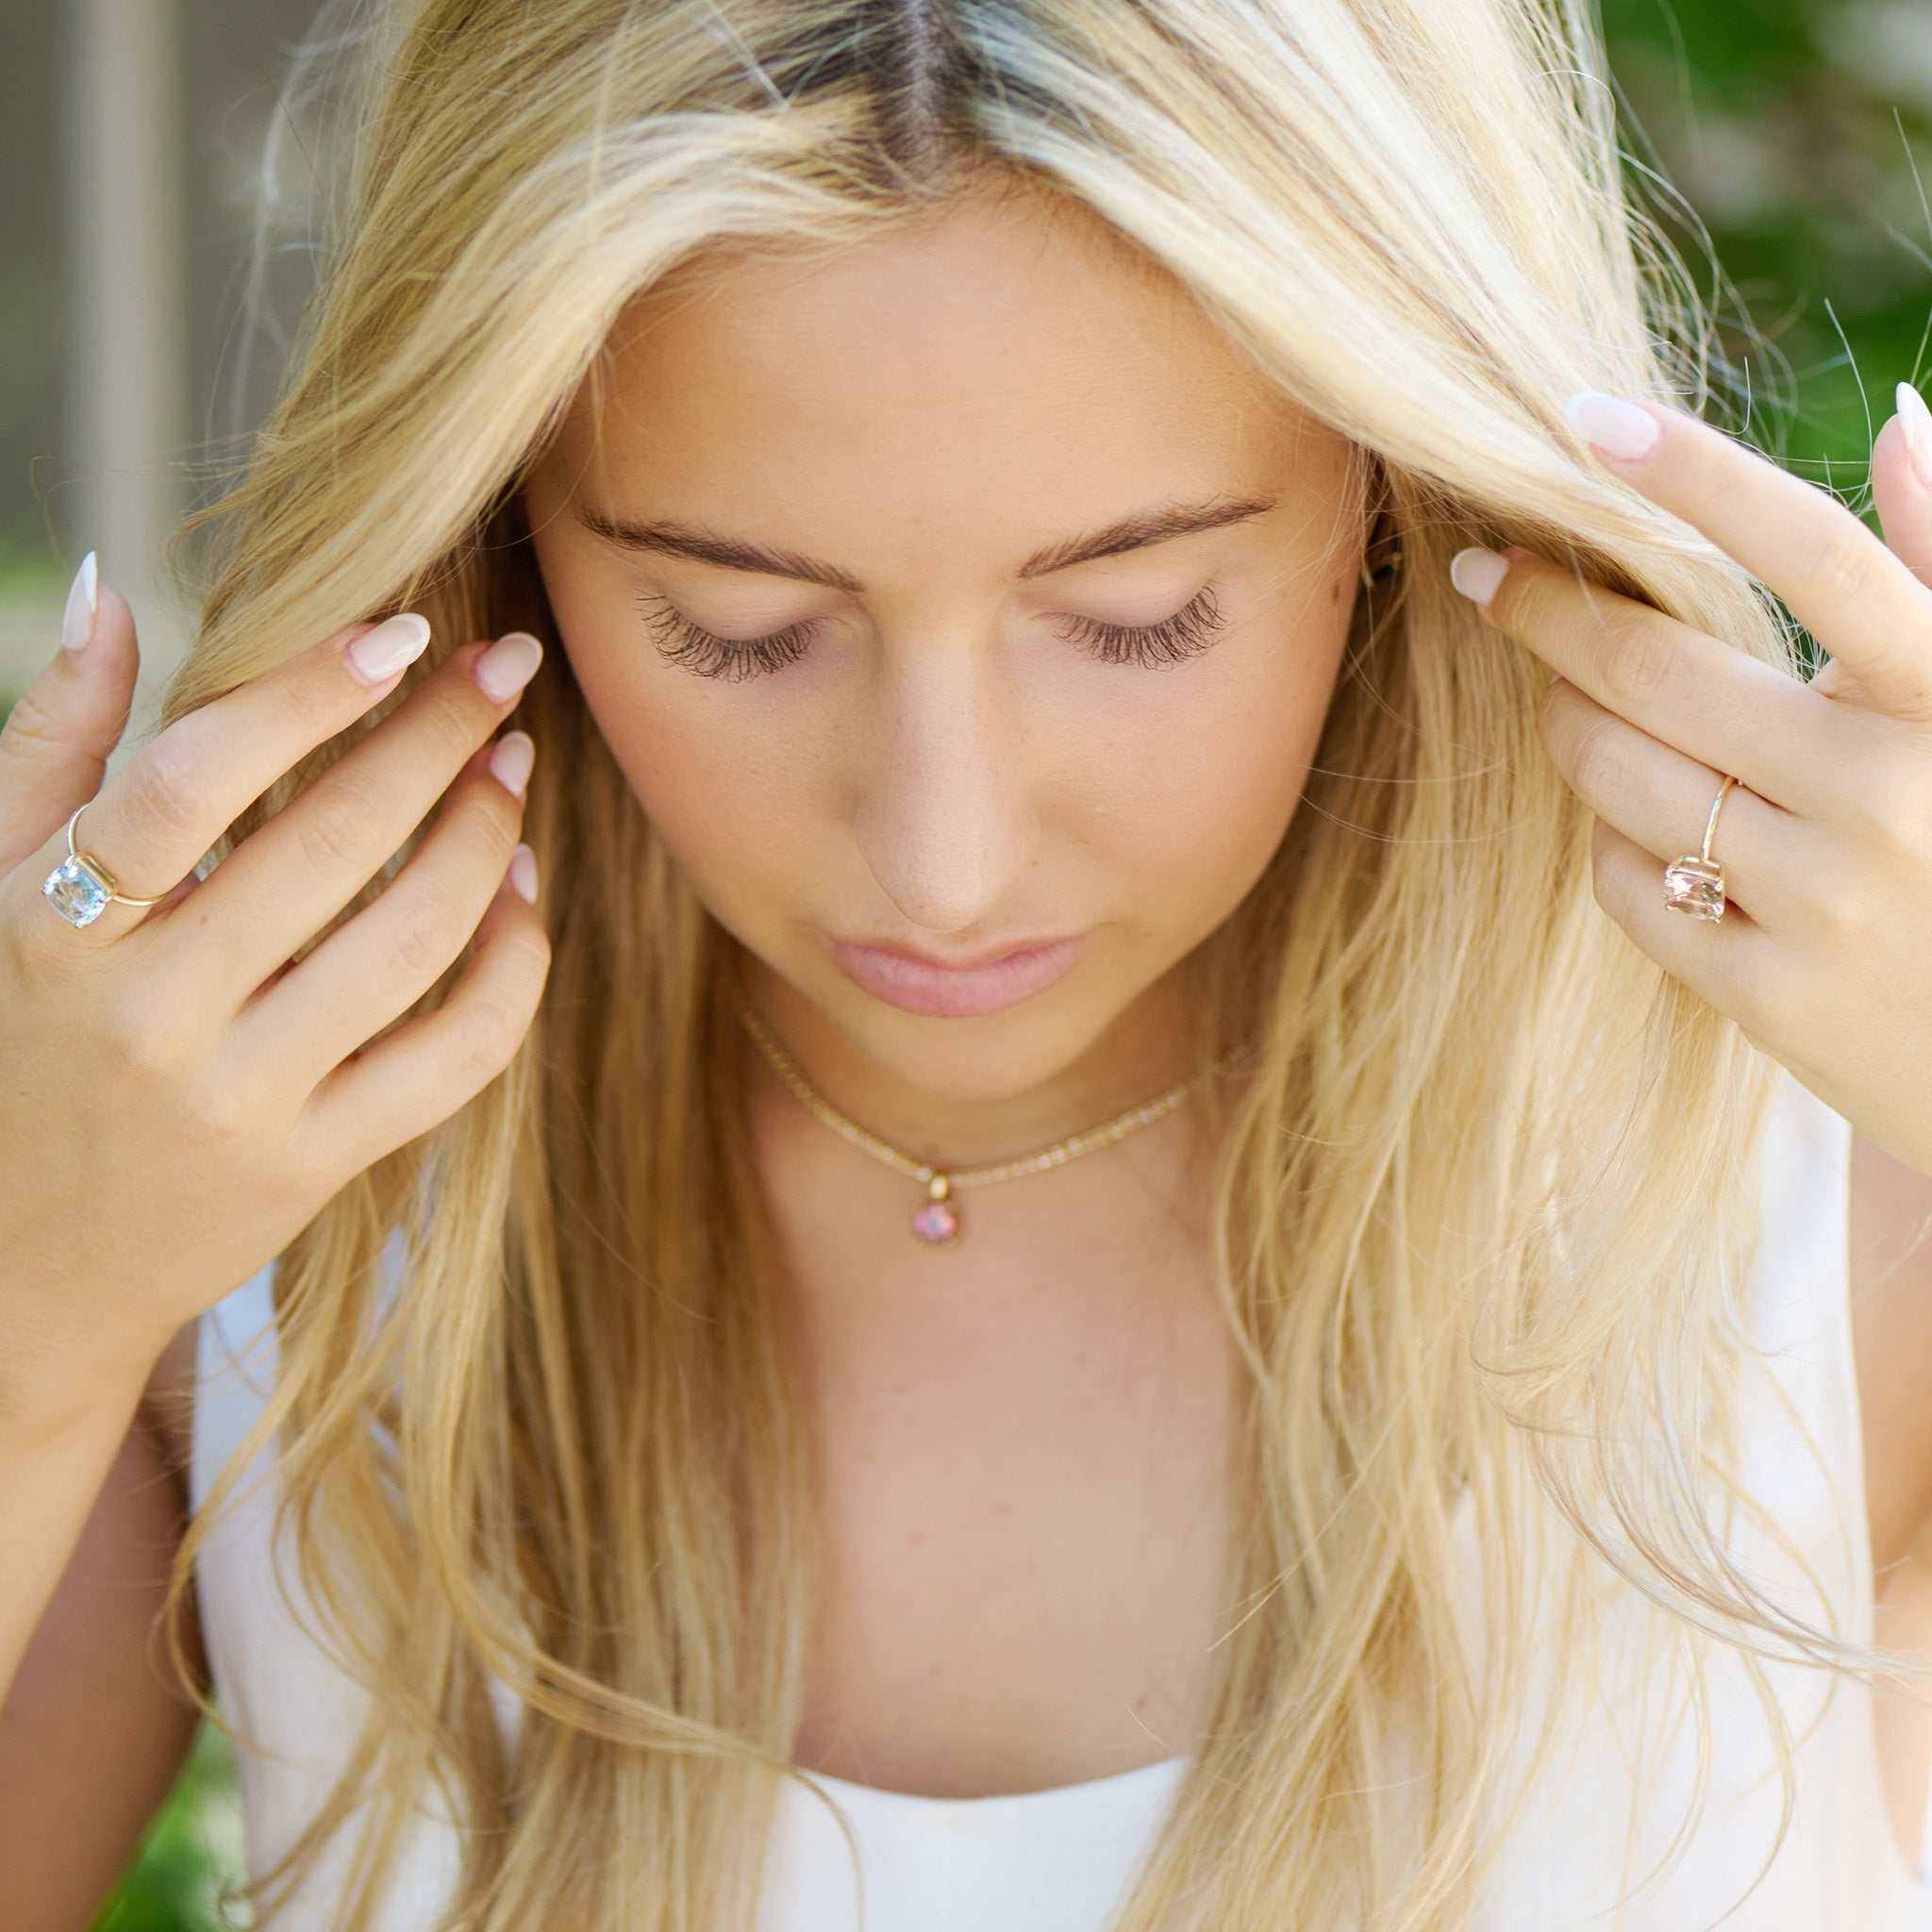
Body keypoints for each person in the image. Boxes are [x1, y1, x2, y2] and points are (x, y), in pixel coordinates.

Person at [7, 0, 1932, 1926]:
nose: (945, 859)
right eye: (739, 626)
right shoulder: (224, 1184)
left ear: (1395, 496)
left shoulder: (1832, 1207)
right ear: (499, 535)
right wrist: (35, 1289)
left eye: (1135, 617)